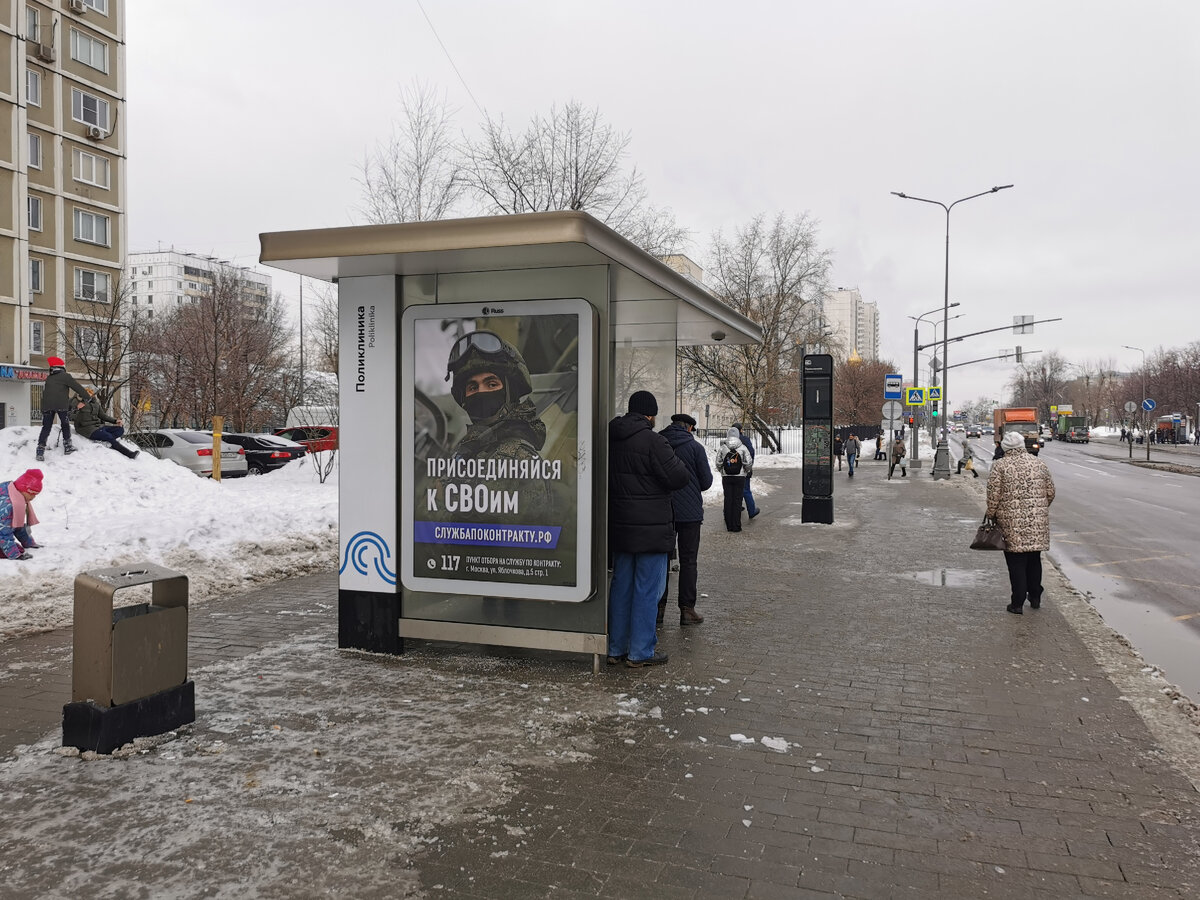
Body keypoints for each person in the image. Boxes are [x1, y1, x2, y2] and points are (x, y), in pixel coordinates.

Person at [607, 391, 689, 668]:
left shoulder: (611, 438)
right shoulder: (654, 441)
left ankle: (615, 647)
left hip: (620, 526)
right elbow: (679, 477)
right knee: (647, 589)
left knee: (620, 587)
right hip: (651, 530)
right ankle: (640, 651)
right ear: (651, 415)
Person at [445, 331, 546, 462]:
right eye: (473, 387)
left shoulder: (518, 460)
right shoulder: (471, 450)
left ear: (511, 393)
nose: (481, 392)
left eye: (492, 384)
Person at [987, 431, 1056, 615]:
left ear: (1005, 448)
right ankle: (1035, 597)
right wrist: (1039, 509)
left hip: (1010, 523)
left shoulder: (999, 466)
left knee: (1016, 562)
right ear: (1022, 445)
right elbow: (1050, 492)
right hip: (1037, 521)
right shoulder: (1039, 463)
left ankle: (1017, 603)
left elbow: (993, 496)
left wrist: (992, 514)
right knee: (1034, 559)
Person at [657, 413, 713, 627]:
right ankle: (687, 611)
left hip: (663, 511)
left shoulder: (659, 443)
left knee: (661, 559)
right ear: (689, 428)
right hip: (689, 514)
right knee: (689, 561)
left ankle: (658, 609)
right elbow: (706, 482)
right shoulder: (695, 448)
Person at [36, 357, 90, 462]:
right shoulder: (65, 376)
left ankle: (40, 450)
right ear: (61, 367)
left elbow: (45, 394)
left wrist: (43, 408)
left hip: (47, 406)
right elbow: (77, 388)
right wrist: (86, 398)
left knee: (46, 427)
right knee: (65, 425)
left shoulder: (49, 378)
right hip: (61, 405)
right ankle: (68, 446)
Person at [72, 393, 139, 459]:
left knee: (120, 429)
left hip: (98, 427)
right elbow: (69, 415)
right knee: (108, 436)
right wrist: (76, 408)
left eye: (91, 393)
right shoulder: (76, 401)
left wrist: (115, 421)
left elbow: (103, 416)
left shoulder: (95, 404)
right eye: (88, 392)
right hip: (86, 429)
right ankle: (129, 454)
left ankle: (107, 440)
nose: (91, 394)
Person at [1, 469, 43, 560]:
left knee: (16, 548)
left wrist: (28, 543)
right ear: (23, 489)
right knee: (15, 550)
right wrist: (15, 555)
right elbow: (3, 533)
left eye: (36, 495)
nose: (33, 497)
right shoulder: (8, 505)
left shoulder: (14, 495)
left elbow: (17, 525)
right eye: (32, 494)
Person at [716, 427, 751, 532]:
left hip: (726, 478)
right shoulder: (743, 447)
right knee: (737, 500)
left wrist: (723, 472)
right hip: (739, 477)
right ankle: (736, 525)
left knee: (728, 500)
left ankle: (729, 526)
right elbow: (748, 463)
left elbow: (718, 463)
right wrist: (744, 471)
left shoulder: (723, 447)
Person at [732, 423, 759, 519]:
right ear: (740, 430)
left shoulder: (728, 441)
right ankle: (751, 511)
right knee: (746, 490)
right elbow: (751, 453)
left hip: (730, 471)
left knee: (732, 491)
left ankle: (732, 509)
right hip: (743, 470)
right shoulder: (745, 440)